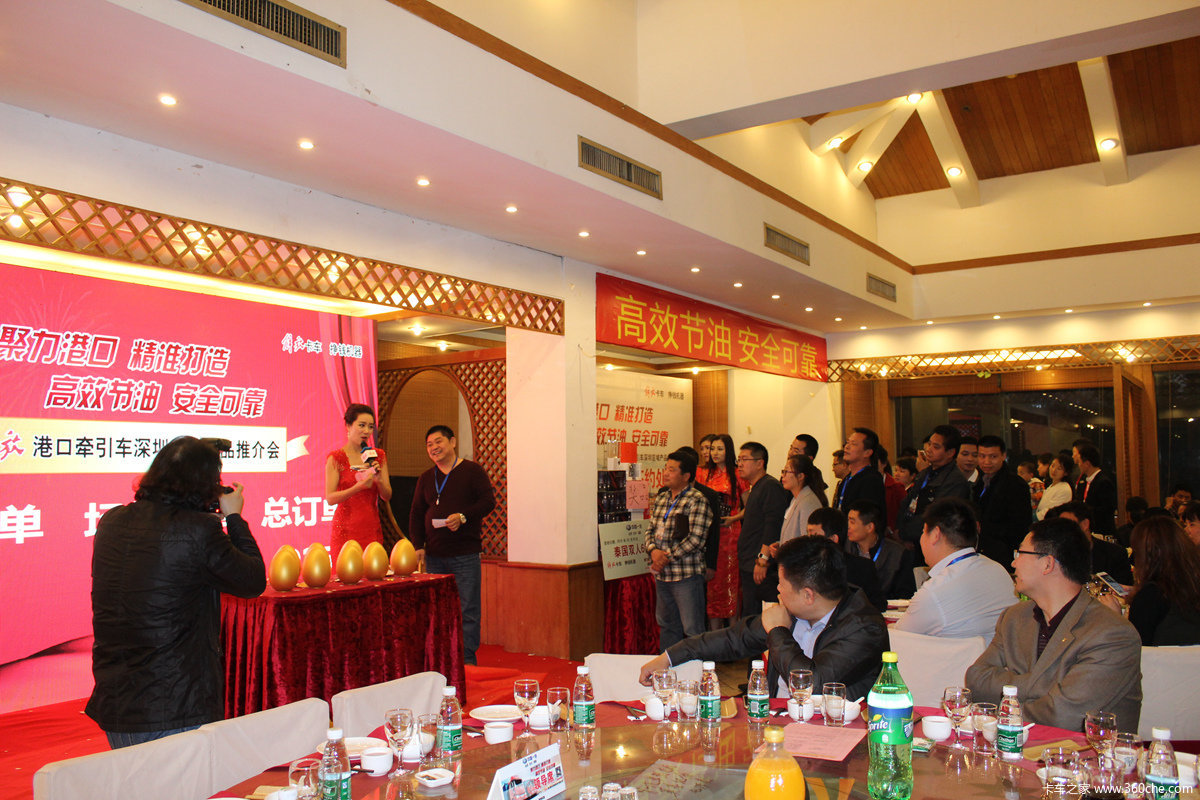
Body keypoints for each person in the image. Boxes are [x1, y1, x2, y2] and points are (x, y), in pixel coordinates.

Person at [87, 437, 266, 748]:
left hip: (117, 697)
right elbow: (252, 580)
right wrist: (234, 517)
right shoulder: (198, 531)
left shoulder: (112, 520)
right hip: (174, 701)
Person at [637, 536, 888, 702]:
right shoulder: (794, 611)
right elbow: (733, 639)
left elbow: (811, 684)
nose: (777, 590)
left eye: (782, 584)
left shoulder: (864, 628)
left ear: (808, 595)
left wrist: (778, 631)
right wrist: (668, 657)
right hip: (776, 725)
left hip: (832, 734)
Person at [966, 517, 1142, 732]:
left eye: (1020, 553)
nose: (1013, 563)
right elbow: (977, 680)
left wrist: (1005, 706)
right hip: (1015, 747)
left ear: (1047, 564)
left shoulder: (1111, 634)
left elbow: (1063, 716)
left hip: (1086, 751)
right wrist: (1049, 685)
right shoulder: (1015, 618)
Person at [409, 425, 496, 665]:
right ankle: (442, 660)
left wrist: (464, 516)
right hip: (434, 556)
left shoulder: (472, 471)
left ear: (453, 442)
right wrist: (418, 546)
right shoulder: (426, 478)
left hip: (465, 555)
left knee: (468, 610)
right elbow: (416, 513)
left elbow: (488, 502)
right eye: (429, 445)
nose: (434, 448)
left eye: (438, 441)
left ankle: (467, 661)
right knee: (438, 610)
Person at [894, 498, 1016, 643]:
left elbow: (898, 638)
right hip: (1000, 655)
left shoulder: (934, 591)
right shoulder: (998, 570)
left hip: (954, 657)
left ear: (935, 535)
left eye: (923, 532)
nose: (921, 539)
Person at [644, 449, 715, 651]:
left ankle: (699, 669)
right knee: (667, 626)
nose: (666, 473)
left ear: (686, 476)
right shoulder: (662, 498)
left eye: (672, 470)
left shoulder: (697, 500)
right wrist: (653, 551)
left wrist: (665, 557)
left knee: (693, 629)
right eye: (666, 468)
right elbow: (650, 530)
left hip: (686, 576)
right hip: (663, 576)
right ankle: (668, 667)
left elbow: (696, 539)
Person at [1099, 516, 1200, 646]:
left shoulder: (1151, 595)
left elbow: (1134, 647)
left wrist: (1115, 618)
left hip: (1162, 658)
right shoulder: (1191, 582)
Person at [757, 454, 829, 604]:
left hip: (799, 571)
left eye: (787, 472)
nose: (782, 476)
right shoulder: (796, 499)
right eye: (782, 471)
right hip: (790, 565)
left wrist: (784, 550)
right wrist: (780, 545)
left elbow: (808, 542)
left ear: (801, 476)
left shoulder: (808, 502)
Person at [895, 425, 971, 565]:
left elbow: (937, 514)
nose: (929, 449)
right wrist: (900, 531)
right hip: (911, 540)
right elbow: (907, 503)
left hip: (935, 545)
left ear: (950, 452)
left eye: (936, 447)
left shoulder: (955, 481)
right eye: (929, 444)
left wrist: (908, 534)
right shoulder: (925, 473)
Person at [324, 402, 392, 557]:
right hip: (345, 530)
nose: (366, 431)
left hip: (371, 528)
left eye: (370, 427)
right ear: (348, 426)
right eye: (361, 425)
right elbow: (330, 498)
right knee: (345, 570)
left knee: (372, 569)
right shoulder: (336, 458)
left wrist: (379, 480)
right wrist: (357, 488)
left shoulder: (378, 456)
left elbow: (387, 496)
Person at [735, 441, 789, 617]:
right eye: (738, 459)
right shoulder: (756, 487)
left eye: (744, 459)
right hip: (748, 561)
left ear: (760, 463)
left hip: (758, 563)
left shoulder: (770, 486)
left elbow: (772, 525)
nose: (740, 464)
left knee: (757, 615)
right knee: (749, 612)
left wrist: (762, 560)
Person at [701, 433, 748, 625]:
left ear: (728, 451)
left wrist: (733, 518)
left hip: (730, 533)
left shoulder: (737, 474)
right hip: (710, 533)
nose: (715, 453)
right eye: (712, 449)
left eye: (720, 449)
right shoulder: (704, 474)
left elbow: (749, 507)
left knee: (730, 582)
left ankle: (734, 629)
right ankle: (715, 632)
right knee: (712, 583)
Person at [806, 507, 886, 611]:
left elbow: (878, 606)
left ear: (833, 539)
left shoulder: (862, 568)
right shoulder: (803, 567)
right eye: (808, 535)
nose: (808, 542)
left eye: (814, 537)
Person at [973, 435, 1032, 565]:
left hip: (1003, 553)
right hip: (982, 550)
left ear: (1003, 456)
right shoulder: (980, 481)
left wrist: (985, 528)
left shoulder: (1015, 484)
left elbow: (1020, 525)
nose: (987, 461)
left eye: (993, 456)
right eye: (982, 456)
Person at [1046, 502, 1133, 585]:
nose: (1064, 531)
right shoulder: (1057, 556)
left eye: (1068, 525)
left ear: (1085, 524)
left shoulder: (1114, 554)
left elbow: (1124, 590)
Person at [846, 499, 915, 599]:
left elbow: (905, 594)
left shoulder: (898, 553)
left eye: (852, 522)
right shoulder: (845, 548)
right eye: (847, 521)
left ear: (870, 527)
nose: (848, 526)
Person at [833, 427, 886, 516]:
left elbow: (868, 516)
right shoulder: (847, 479)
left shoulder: (871, 480)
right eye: (847, 442)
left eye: (853, 444)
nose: (846, 447)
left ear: (867, 453)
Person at [1072, 442, 1118, 539]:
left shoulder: (1103, 482)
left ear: (1087, 464)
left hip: (1101, 530)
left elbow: (1106, 509)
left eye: (1080, 462)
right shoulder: (1084, 482)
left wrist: (1086, 511)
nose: (1078, 465)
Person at [1036, 454, 1074, 521]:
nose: (1054, 470)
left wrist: (1035, 517)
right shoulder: (1051, 486)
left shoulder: (1064, 489)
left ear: (1066, 473)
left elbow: (1051, 511)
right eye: (1052, 466)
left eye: (1059, 468)